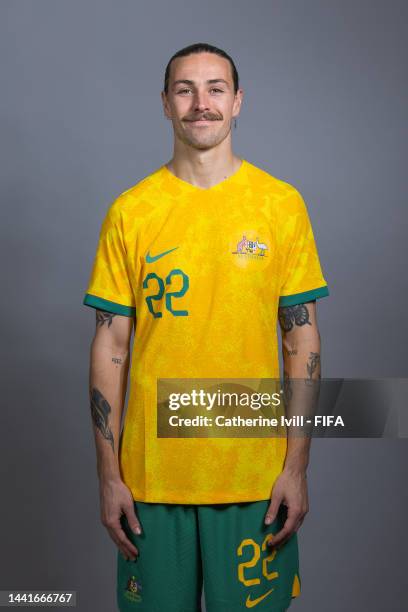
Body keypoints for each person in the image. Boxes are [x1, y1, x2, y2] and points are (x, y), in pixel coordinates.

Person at [83, 42, 329, 612]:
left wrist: (296, 467)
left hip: (255, 483)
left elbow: (302, 341)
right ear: (165, 104)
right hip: (150, 484)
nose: (201, 103)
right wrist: (107, 477)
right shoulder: (132, 211)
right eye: (185, 89)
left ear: (238, 101)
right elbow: (111, 346)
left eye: (216, 88)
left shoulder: (280, 205)